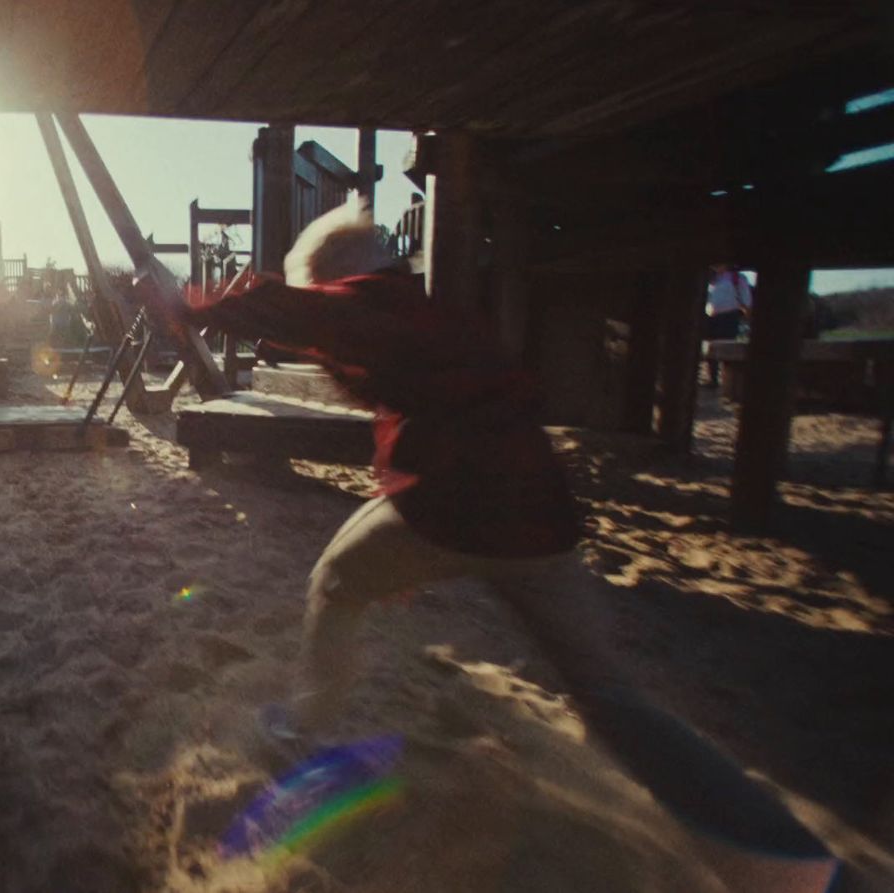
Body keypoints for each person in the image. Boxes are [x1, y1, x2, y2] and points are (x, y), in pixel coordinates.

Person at [173, 204, 839, 892]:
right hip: (542, 522)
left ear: (341, 276)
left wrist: (191, 305)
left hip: (450, 510)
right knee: (612, 697)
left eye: (322, 288)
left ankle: (298, 723)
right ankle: (795, 865)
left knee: (336, 582)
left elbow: (310, 316)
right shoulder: (439, 320)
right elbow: (416, 408)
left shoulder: (374, 304)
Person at [705, 265, 752, 386]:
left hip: (729, 316)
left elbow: (746, 300)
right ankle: (713, 379)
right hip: (712, 316)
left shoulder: (738, 278)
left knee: (727, 348)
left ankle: (728, 381)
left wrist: (748, 315)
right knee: (711, 348)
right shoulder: (713, 278)